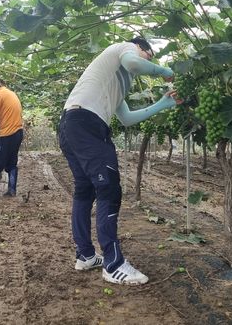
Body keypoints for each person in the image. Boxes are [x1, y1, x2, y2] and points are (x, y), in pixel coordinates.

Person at [58, 37, 181, 286]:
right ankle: (113, 265)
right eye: (150, 56)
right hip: (87, 125)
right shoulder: (123, 49)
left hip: (72, 125)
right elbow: (134, 63)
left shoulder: (116, 81)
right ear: (141, 48)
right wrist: (164, 71)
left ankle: (86, 255)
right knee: (109, 190)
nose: (149, 61)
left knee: (85, 191)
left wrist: (162, 104)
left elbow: (125, 118)